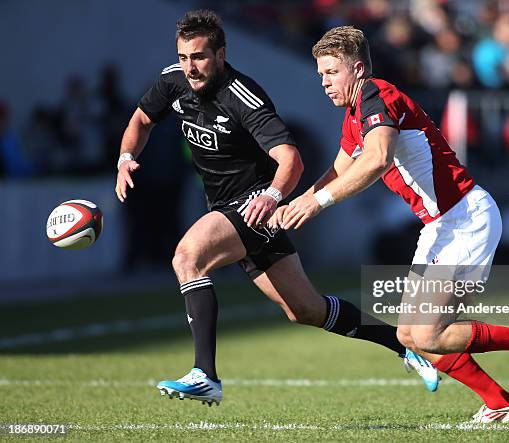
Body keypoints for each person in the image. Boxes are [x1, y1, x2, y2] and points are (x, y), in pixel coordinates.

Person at [114, 10, 435, 407]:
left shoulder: (243, 95)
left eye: (198, 57)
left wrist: (271, 196)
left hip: (253, 204)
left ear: (220, 53)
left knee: (187, 257)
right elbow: (142, 119)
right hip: (225, 207)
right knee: (306, 310)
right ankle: (403, 346)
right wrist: (126, 157)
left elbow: (291, 160)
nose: (190, 67)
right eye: (183, 57)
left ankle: (205, 375)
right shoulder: (172, 81)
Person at [274, 25, 509, 422]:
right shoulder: (356, 114)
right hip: (441, 224)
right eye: (320, 74)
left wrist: (317, 204)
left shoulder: (375, 95)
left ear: (358, 69)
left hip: (465, 218)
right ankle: (500, 402)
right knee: (410, 336)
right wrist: (300, 200)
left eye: (332, 72)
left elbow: (378, 158)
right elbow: (341, 166)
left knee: (429, 333)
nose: (325, 82)